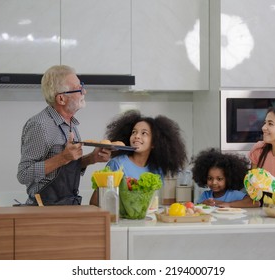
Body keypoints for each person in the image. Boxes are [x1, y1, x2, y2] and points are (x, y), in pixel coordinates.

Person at [17, 65, 111, 205]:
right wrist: (62, 158)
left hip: (68, 205)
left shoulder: (71, 123)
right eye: (78, 88)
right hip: (44, 210)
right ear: (61, 99)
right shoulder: (40, 125)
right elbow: (24, 175)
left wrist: (91, 158)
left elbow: (67, 166)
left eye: (82, 86)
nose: (84, 91)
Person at [90, 110, 188, 205]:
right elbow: (94, 202)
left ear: (154, 143)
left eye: (143, 133)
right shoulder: (117, 164)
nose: (136, 136)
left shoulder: (158, 170)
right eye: (134, 132)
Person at [192, 148, 259, 208]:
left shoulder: (234, 194)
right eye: (210, 178)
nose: (214, 182)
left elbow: (256, 203)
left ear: (228, 179)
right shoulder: (205, 195)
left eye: (219, 179)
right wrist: (203, 204)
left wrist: (229, 204)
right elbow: (196, 209)